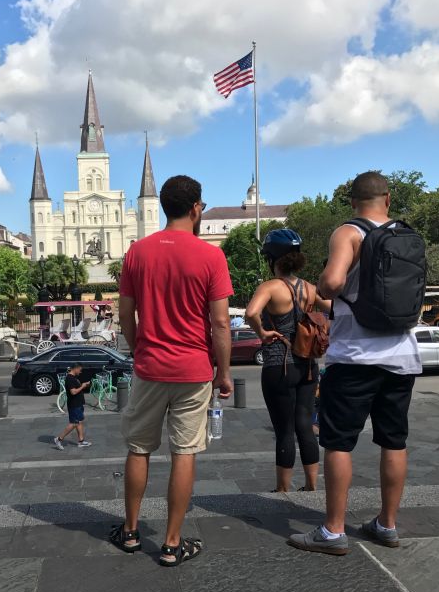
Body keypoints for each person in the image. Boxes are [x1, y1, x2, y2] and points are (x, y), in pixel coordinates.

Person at [288, 171, 421, 556]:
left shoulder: (349, 231)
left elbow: (330, 283)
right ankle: (387, 524)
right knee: (394, 441)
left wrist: (329, 287)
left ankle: (333, 531)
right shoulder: (405, 233)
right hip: (401, 354)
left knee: (339, 443)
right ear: (388, 199)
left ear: (352, 202)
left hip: (356, 357)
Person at [110, 174, 233, 567]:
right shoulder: (211, 256)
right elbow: (219, 324)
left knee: (138, 448)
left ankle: (130, 532)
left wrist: (137, 347)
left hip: (149, 367)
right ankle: (170, 543)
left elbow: (124, 312)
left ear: (164, 206)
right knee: (185, 452)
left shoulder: (137, 253)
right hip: (194, 369)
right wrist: (224, 372)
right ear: (197, 208)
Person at [245, 229, 330, 492]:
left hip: (278, 364)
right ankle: (311, 485)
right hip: (307, 365)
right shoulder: (310, 288)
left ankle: (282, 488)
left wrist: (262, 332)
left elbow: (250, 313)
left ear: (272, 259)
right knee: (305, 424)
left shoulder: (270, 287)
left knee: (284, 429)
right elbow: (335, 309)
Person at [53, 362, 92, 450]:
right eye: (80, 370)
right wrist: (82, 386)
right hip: (74, 404)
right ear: (76, 368)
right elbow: (73, 392)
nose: (80, 372)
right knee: (74, 423)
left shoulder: (74, 378)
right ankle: (59, 439)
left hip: (78, 403)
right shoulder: (69, 379)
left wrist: (84, 385)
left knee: (79, 421)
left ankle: (81, 441)